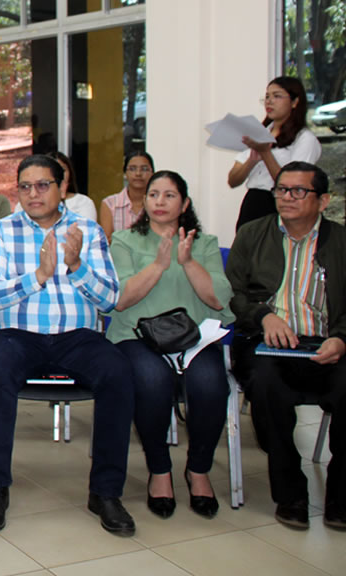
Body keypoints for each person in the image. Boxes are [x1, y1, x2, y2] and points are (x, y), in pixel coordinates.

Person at [0, 154, 135, 535]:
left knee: (117, 372)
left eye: (43, 185)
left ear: (62, 188)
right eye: (25, 186)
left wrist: (76, 265)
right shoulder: (2, 231)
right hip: (19, 336)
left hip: (77, 337)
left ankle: (106, 492)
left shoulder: (88, 230)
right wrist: (38, 276)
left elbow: (110, 298)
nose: (33, 194)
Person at [226, 161, 346, 531]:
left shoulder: (340, 241)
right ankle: (291, 492)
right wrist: (263, 316)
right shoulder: (252, 233)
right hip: (266, 345)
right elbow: (232, 293)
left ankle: (340, 498)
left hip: (326, 345)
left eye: (298, 191)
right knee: (265, 389)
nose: (286, 198)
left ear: (323, 200)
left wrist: (341, 337)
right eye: (281, 190)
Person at [109, 170, 234, 520]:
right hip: (137, 336)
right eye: (153, 195)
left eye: (169, 195)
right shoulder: (124, 240)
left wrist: (187, 261)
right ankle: (159, 470)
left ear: (185, 203)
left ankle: (198, 470)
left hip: (193, 339)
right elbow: (120, 300)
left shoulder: (204, 244)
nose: (160, 202)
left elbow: (218, 299)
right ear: (144, 201)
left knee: (211, 385)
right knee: (151, 382)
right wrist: (160, 266)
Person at [228, 77, 323, 231]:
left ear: (294, 102)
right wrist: (252, 161)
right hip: (252, 203)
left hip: (281, 206)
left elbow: (292, 185)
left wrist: (265, 153)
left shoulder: (305, 139)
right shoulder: (259, 133)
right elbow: (232, 180)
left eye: (277, 96)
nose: (269, 101)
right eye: (267, 97)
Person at [99, 151, 154, 243]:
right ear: (124, 173)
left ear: (152, 173)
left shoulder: (157, 204)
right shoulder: (110, 203)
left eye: (144, 169)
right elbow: (107, 241)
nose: (138, 173)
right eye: (132, 169)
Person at [48, 150, 97, 221]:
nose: (59, 175)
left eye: (63, 170)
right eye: (53, 171)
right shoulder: (36, 202)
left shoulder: (83, 202)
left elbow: (87, 230)